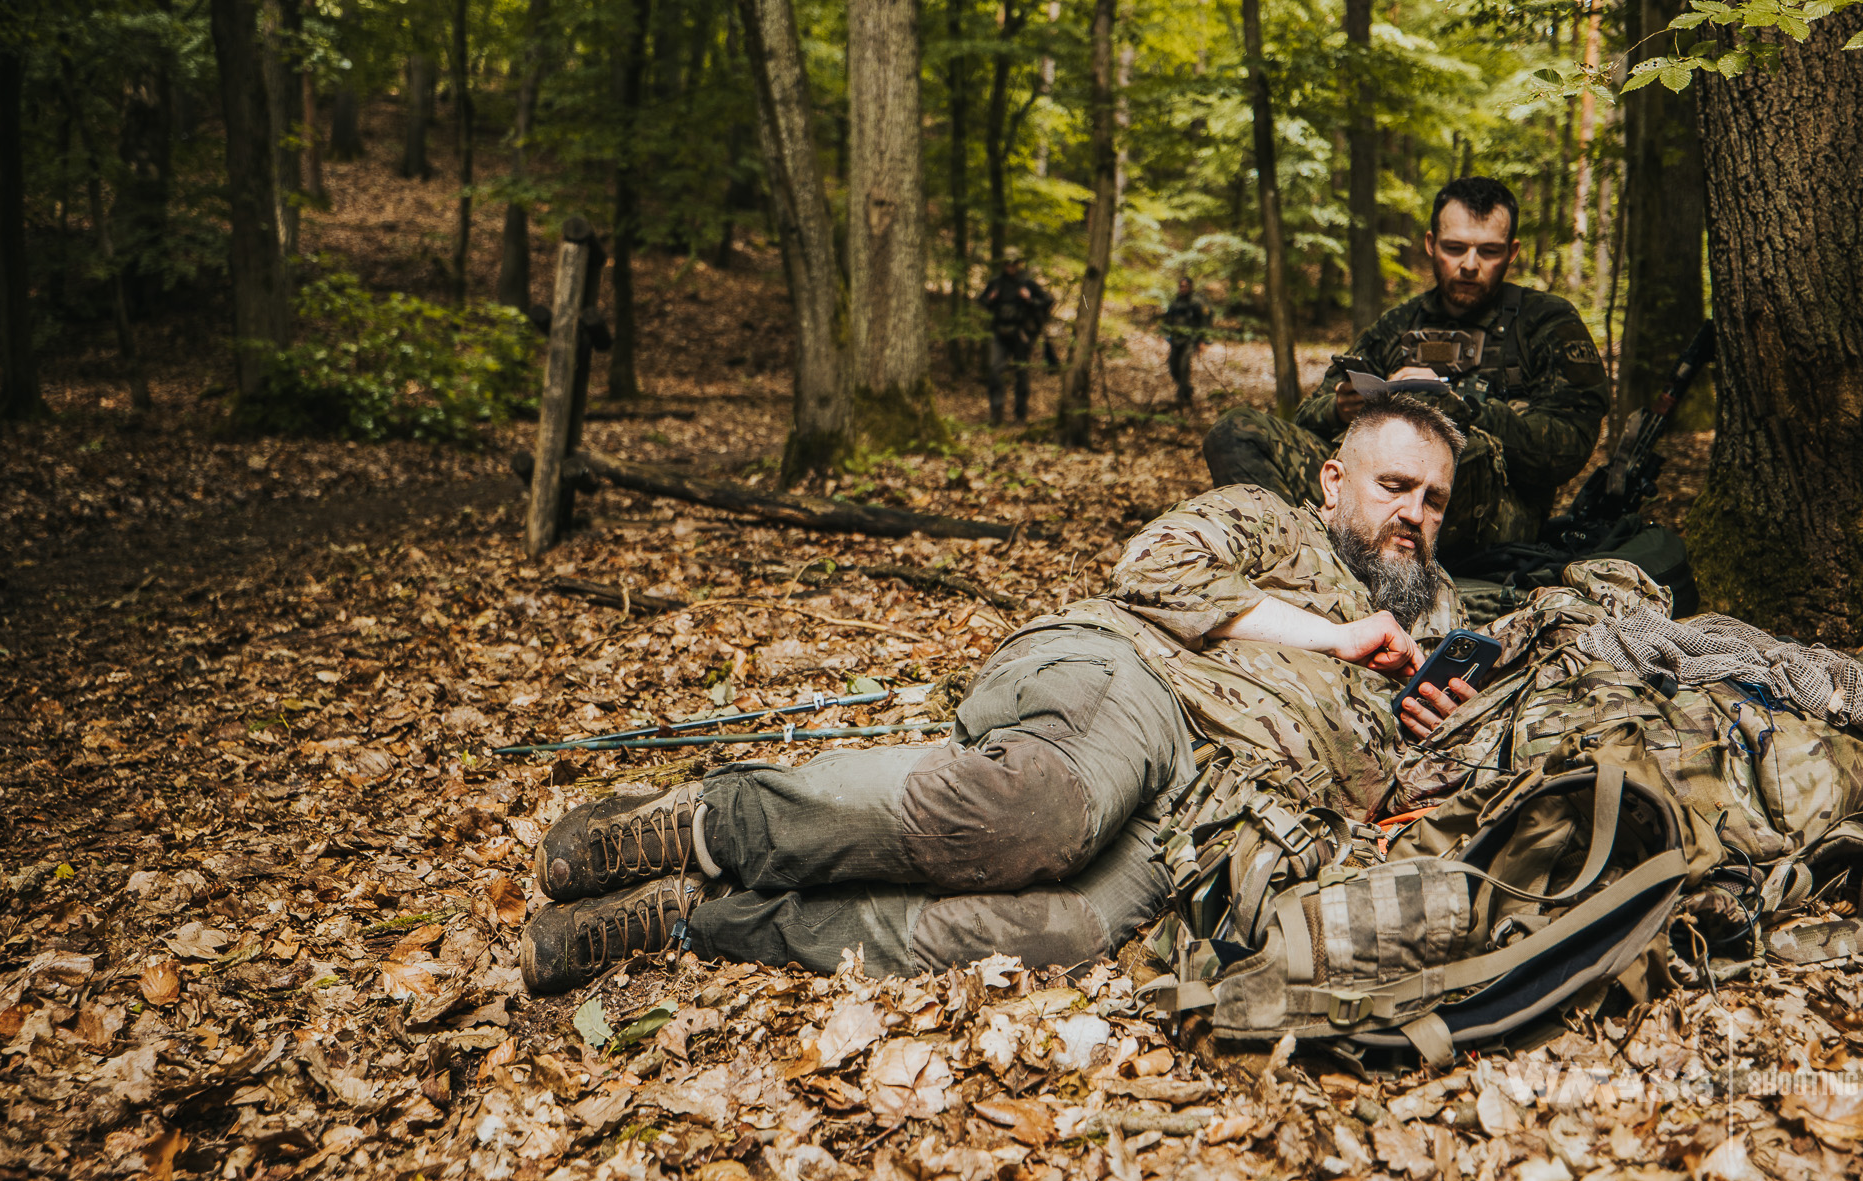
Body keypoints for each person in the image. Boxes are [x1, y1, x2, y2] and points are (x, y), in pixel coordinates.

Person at [519, 397, 1479, 992]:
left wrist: (1432, 730)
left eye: (1433, 501)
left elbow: (1441, 784)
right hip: (1138, 677)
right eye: (1396, 485)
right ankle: (703, 822)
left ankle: (697, 913)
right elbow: (1151, 570)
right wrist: (1335, 635)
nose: (1413, 515)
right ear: (1332, 480)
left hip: (1220, 807)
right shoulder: (1270, 521)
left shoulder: (1439, 617)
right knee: (1035, 812)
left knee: (1059, 933)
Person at [1203, 177, 1610, 566]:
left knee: (1440, 458)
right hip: (1380, 490)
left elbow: (1569, 446)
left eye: (1488, 251)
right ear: (1431, 245)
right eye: (1455, 248)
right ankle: (1297, 564)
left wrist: (1460, 409)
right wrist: (1341, 409)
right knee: (1238, 432)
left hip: (1494, 509)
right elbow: (1308, 415)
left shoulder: (1547, 323)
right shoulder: (1398, 324)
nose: (1469, 265)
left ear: (1512, 251)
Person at [976, 248, 1055, 425]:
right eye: (1007, 263)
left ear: (1018, 264)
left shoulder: (1027, 283)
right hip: (999, 332)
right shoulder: (996, 282)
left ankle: (1021, 415)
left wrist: (1029, 300)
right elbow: (981, 300)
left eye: (1013, 263)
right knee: (995, 369)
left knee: (1021, 372)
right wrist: (990, 299)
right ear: (1004, 264)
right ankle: (996, 415)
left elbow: (1048, 301)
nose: (1010, 266)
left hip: (1021, 334)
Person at [1161, 277, 1211, 411]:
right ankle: (1186, 388)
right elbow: (1168, 320)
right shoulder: (1175, 303)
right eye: (1181, 286)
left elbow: (1204, 322)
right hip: (1176, 340)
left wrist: (1202, 341)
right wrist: (1167, 334)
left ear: (1190, 287)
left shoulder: (1196, 303)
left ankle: (1183, 397)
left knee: (1184, 366)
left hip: (1190, 340)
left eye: (1185, 286)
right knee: (1173, 366)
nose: (1182, 289)